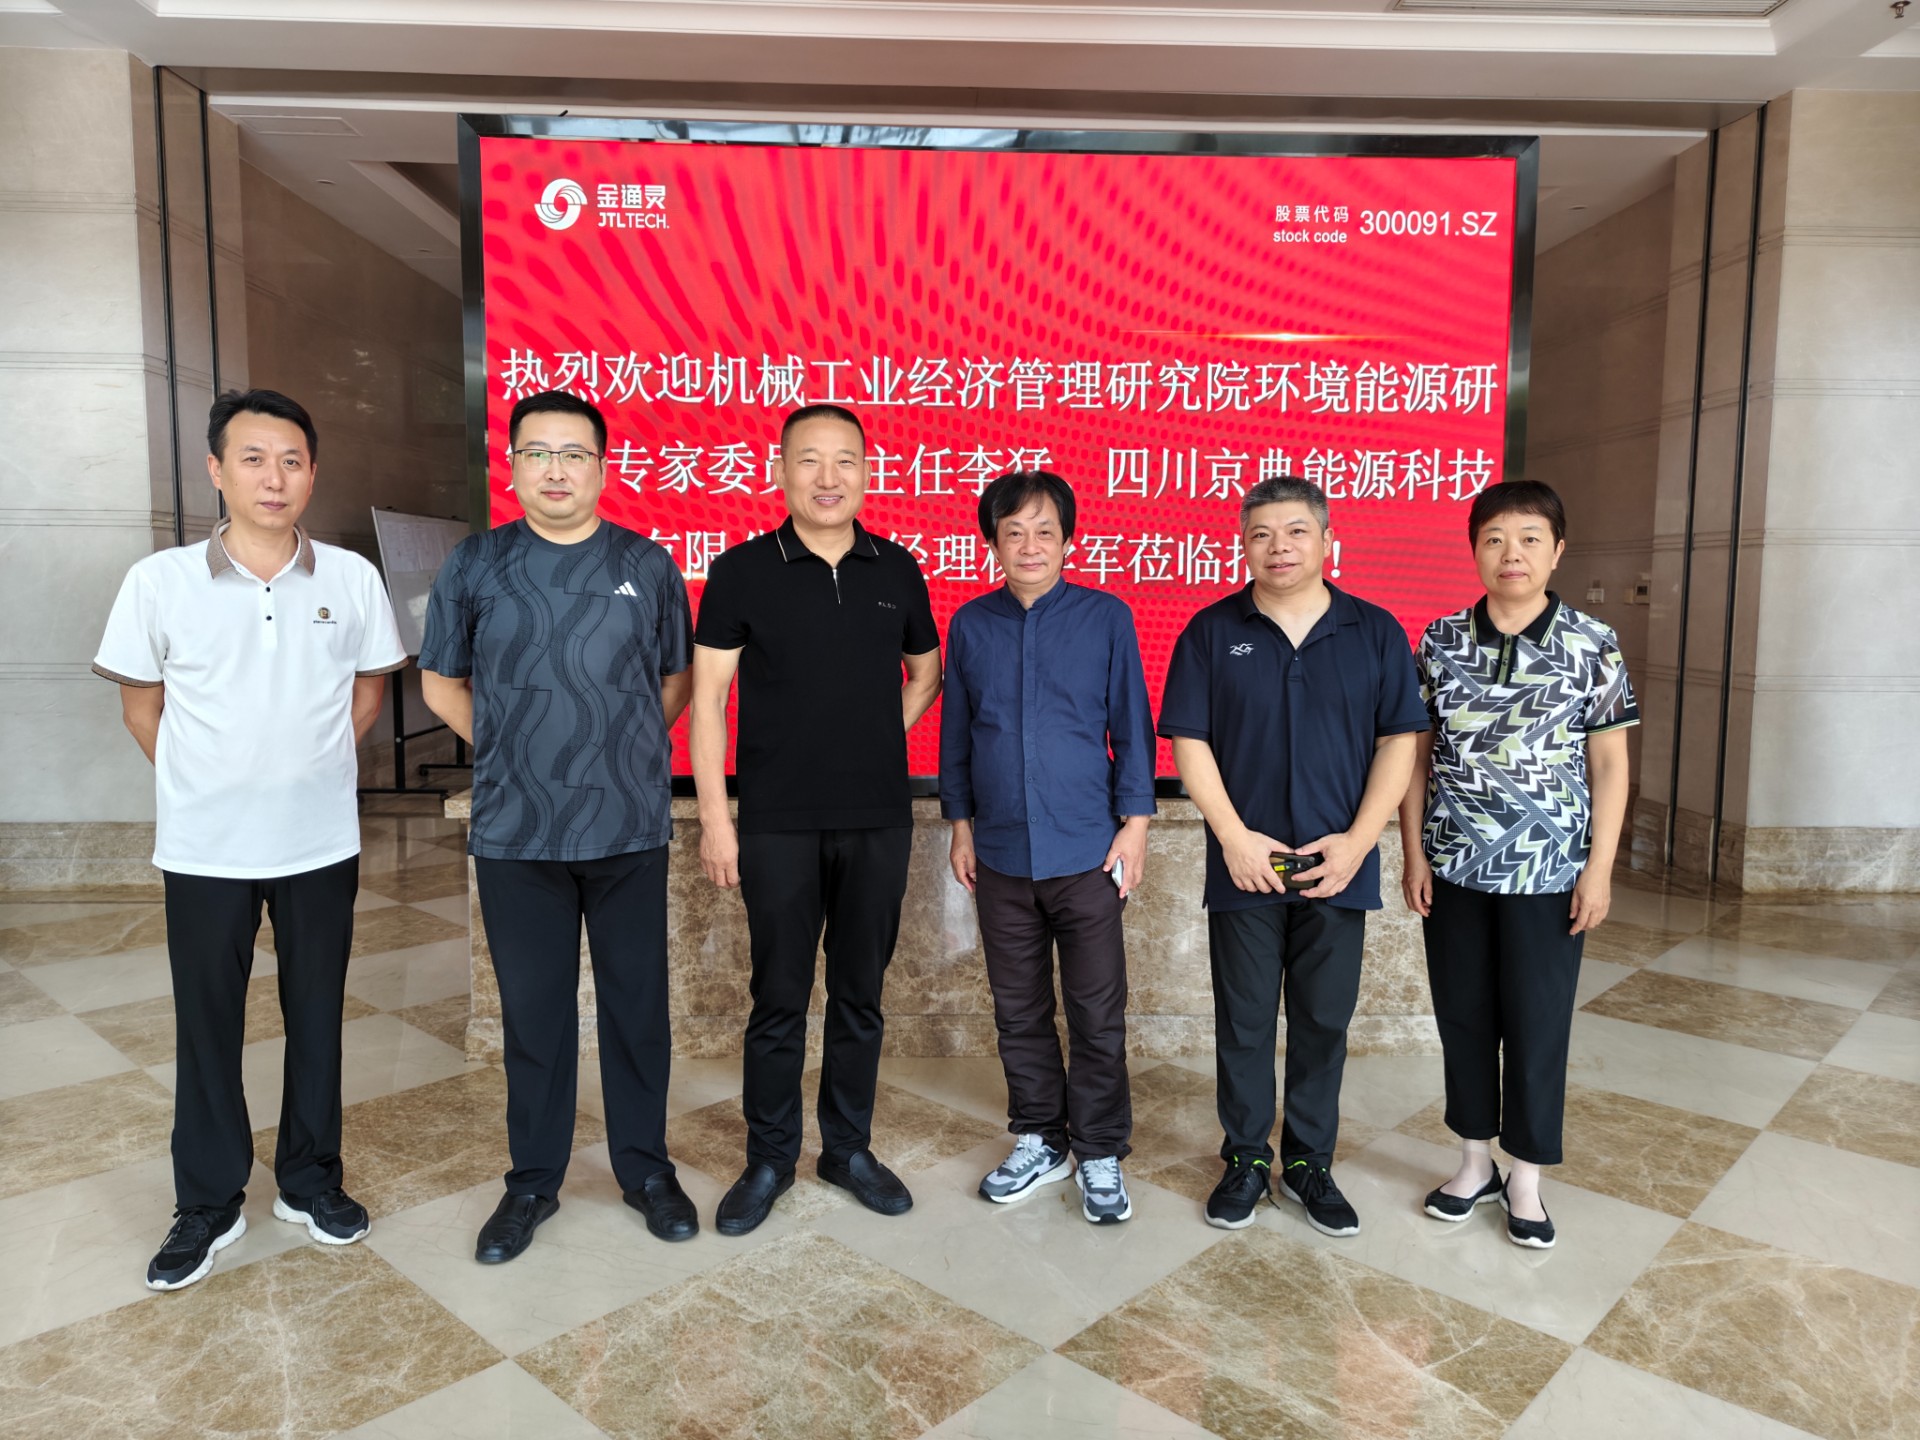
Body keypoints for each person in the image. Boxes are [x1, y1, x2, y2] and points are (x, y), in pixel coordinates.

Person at [93, 389, 407, 1291]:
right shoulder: (159, 582)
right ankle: (207, 1200)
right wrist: (206, 782)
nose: (275, 478)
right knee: (207, 1026)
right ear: (216, 471)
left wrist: (305, 769)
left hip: (319, 843)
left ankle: (311, 1182)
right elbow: (141, 706)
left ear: (313, 473)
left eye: (292, 461)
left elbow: (369, 692)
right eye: (254, 459)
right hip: (204, 850)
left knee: (317, 1016)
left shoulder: (350, 578)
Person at [418, 389, 697, 1264]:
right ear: (512, 465)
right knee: (534, 1017)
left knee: (636, 1011)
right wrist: (510, 746)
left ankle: (646, 1171)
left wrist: (620, 750)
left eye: (574, 454)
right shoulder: (476, 564)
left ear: (602, 468)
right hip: (517, 831)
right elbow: (440, 683)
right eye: (537, 453)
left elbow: (674, 681)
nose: (556, 470)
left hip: (628, 828)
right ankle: (532, 1183)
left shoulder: (647, 565)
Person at [690, 403, 942, 1236]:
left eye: (845, 461)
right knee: (778, 997)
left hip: (877, 819)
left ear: (867, 471)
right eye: (809, 460)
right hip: (777, 822)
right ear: (781, 471)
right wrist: (717, 820)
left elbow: (926, 672)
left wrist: (874, 739)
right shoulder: (741, 570)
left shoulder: (896, 568)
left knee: (861, 995)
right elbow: (709, 701)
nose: (828, 477)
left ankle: (847, 1149)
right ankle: (769, 1158)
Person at [1158, 476, 1426, 1235]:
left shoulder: (1374, 631)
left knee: (1322, 1021)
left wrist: (1360, 842)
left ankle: (1309, 1163)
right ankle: (1246, 1157)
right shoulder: (1212, 631)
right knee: (1244, 1020)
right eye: (1262, 534)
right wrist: (1234, 838)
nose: (1279, 547)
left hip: (1338, 863)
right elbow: (1189, 742)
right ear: (1243, 545)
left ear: (1328, 540)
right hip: (1245, 864)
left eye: (1296, 531)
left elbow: (1399, 743)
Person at [1398, 479, 1635, 1250]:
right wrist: (1414, 852)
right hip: (1455, 864)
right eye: (1495, 538)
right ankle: (1474, 1163)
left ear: (1557, 550)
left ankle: (1526, 1175)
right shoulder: (1440, 640)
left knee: (1537, 1023)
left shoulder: (1592, 643)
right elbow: (1416, 759)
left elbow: (1611, 765)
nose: (1512, 554)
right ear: (1474, 549)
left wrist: (1599, 869)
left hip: (1551, 871)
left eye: (1530, 538)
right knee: (1463, 1016)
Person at [941, 471, 1155, 1225]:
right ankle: (1040, 1136)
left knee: (1096, 1011)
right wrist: (960, 825)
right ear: (992, 543)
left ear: (1068, 541)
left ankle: (1098, 1148)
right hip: (1000, 853)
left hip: (1088, 852)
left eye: (1044, 532)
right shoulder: (971, 624)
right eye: (1013, 532)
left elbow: (1131, 725)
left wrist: (1136, 823)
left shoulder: (1106, 618)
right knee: (1018, 1008)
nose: (1029, 546)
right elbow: (959, 732)